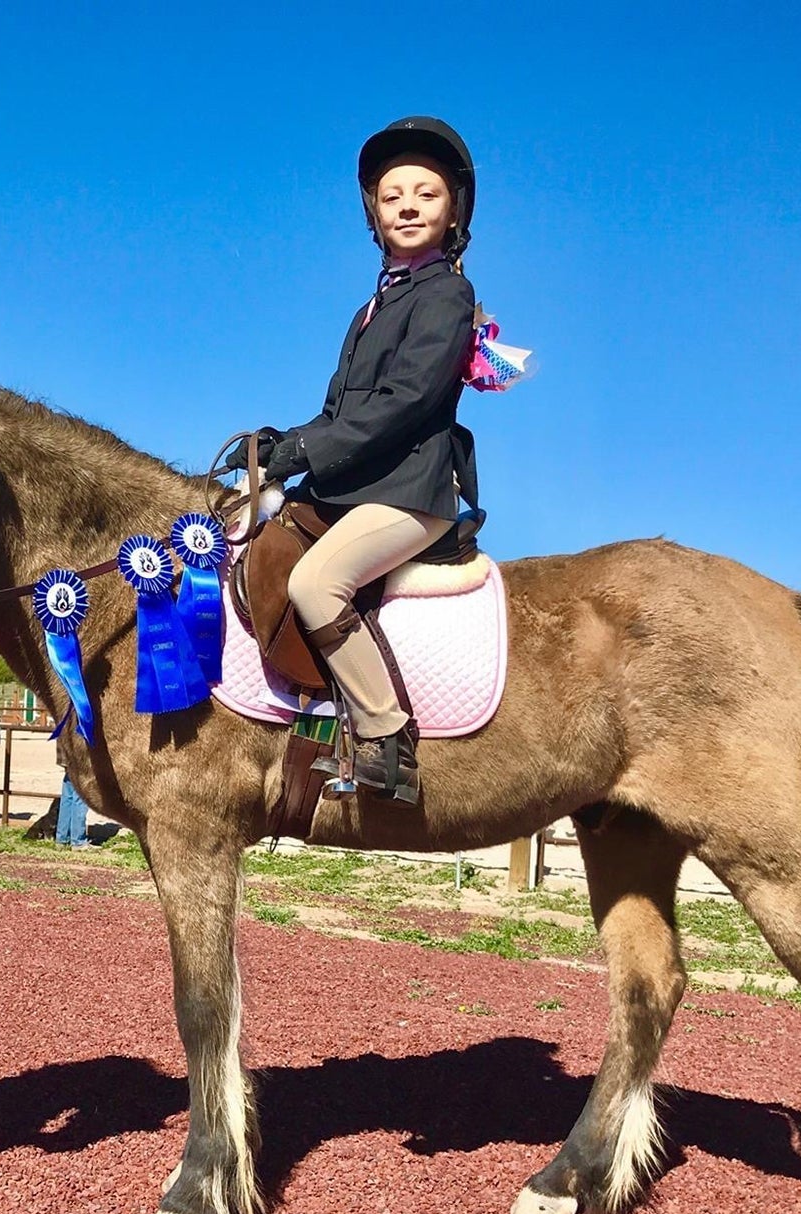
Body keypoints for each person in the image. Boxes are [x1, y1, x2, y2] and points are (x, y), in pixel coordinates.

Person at [232, 117, 480, 805]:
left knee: (316, 584)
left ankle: (385, 738)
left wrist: (311, 450)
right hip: (356, 486)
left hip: (410, 492)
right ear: (373, 210)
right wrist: (285, 446)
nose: (407, 204)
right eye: (392, 193)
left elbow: (406, 401)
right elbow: (342, 414)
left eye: (425, 194)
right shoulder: (371, 308)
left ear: (452, 209)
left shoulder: (447, 296)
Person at [53, 734, 91, 848]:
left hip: (65, 755)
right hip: (78, 757)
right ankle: (78, 840)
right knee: (80, 798)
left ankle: (62, 838)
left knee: (67, 797)